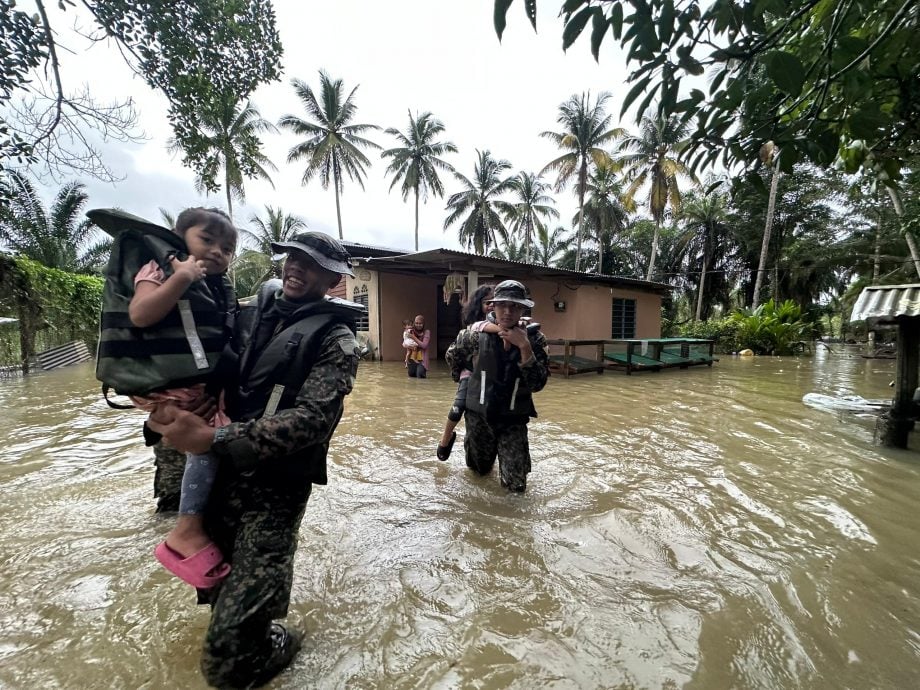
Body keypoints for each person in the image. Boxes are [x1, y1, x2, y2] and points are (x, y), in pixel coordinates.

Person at [148, 230, 365, 689]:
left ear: (332, 280)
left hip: (275, 490)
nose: (296, 268)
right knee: (218, 595)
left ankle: (283, 637)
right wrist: (161, 408)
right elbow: (194, 365)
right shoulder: (246, 314)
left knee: (228, 666)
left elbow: (311, 421)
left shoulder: (336, 339)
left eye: (311, 265)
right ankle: (251, 624)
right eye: (292, 258)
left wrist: (215, 437)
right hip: (220, 480)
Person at [94, 207, 238, 588]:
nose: (217, 252)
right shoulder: (161, 269)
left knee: (211, 444)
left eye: (227, 248)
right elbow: (140, 314)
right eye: (207, 240)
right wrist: (182, 276)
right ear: (178, 237)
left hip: (189, 389)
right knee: (207, 445)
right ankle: (185, 531)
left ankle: (187, 530)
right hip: (166, 390)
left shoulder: (219, 293)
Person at [445, 280, 550, 492]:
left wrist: (525, 347)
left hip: (513, 421)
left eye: (514, 306)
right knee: (478, 476)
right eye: (502, 305)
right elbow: (452, 356)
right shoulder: (474, 335)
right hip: (479, 417)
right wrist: (467, 379)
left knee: (516, 487)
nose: (508, 312)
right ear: (493, 306)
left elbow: (538, 384)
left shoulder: (535, 340)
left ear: (522, 308)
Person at [436, 284, 496, 460]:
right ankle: (445, 439)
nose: (491, 306)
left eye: (495, 302)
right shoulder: (474, 327)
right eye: (487, 303)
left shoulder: (507, 323)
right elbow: (452, 355)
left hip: (493, 380)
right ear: (479, 306)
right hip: (470, 375)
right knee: (458, 407)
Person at [404, 314, 430, 378]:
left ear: (423, 324)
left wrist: (413, 338)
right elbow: (404, 344)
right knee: (411, 375)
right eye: (416, 323)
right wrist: (411, 346)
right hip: (412, 358)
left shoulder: (427, 332)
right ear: (414, 323)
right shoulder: (411, 331)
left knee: (420, 375)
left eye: (420, 323)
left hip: (422, 359)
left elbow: (424, 346)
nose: (418, 325)